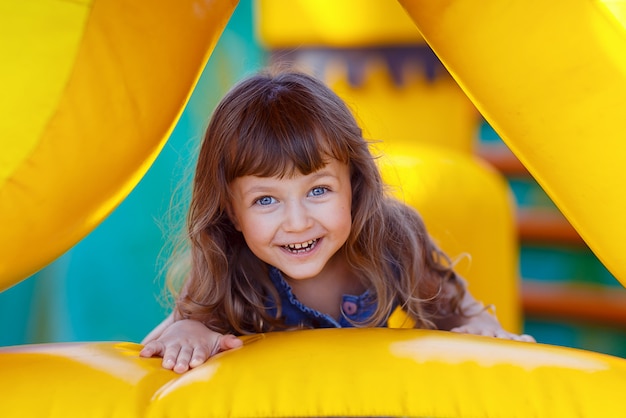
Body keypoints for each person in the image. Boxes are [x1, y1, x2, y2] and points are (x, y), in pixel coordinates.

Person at [140, 69, 534, 373]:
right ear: (231, 211)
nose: (296, 223)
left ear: (354, 183)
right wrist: (189, 332)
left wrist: (483, 331)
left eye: (318, 191)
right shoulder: (228, 265)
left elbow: (461, 313)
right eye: (265, 200)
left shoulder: (393, 242)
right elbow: (179, 329)